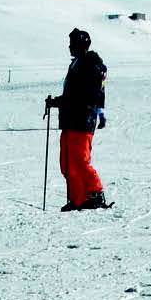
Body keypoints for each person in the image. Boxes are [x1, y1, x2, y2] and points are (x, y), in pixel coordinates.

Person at [44, 28, 109, 209]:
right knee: (67, 163)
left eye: (73, 44)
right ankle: (78, 199)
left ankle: (95, 194)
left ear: (82, 45)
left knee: (80, 161)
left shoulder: (91, 65)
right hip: (71, 119)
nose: (70, 47)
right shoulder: (77, 64)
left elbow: (87, 96)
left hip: (82, 120)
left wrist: (98, 113)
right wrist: (58, 102)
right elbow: (73, 95)